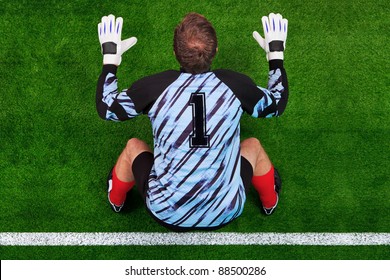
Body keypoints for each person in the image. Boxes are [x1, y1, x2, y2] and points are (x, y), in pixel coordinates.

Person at [96, 12, 289, 231]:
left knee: (133, 147)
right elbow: (277, 102)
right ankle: (270, 202)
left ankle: (116, 200)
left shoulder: (154, 87)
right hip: (224, 211)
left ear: (175, 52)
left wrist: (110, 59)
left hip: (167, 212)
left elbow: (107, 108)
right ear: (215, 51)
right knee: (253, 146)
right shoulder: (235, 85)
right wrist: (275, 55)